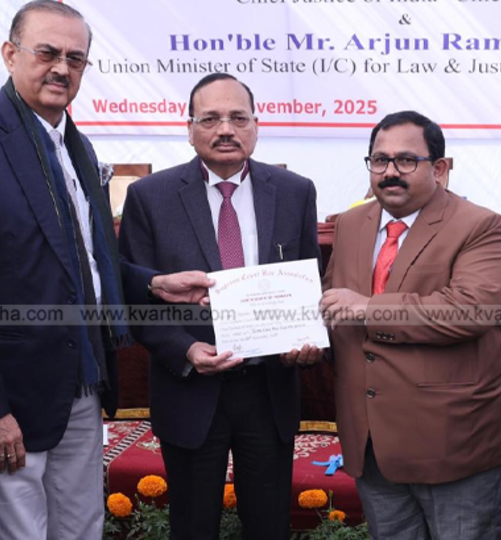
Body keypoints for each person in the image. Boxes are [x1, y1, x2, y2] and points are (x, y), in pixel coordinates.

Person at [0, 3, 212, 539]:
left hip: (82, 378)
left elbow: (85, 262)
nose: (61, 68)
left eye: (76, 58)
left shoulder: (75, 145)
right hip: (16, 398)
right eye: (47, 52)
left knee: (82, 528)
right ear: (9, 54)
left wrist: (152, 283)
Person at [118, 73, 322, 540]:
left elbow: (309, 285)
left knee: (270, 525)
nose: (225, 129)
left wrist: (306, 342)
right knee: (192, 526)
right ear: (189, 128)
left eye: (237, 117)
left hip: (269, 388)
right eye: (210, 118)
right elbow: (136, 298)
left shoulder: (295, 191)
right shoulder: (149, 197)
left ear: (256, 125)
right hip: (190, 389)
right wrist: (185, 351)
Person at [321, 110, 501, 540]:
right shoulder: (351, 224)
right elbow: (330, 302)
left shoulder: (480, 225)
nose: (390, 172)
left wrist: (369, 309)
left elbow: (470, 310)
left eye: (406, 160)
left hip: (453, 441)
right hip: (372, 440)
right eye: (379, 160)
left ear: (440, 168)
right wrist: (298, 337)